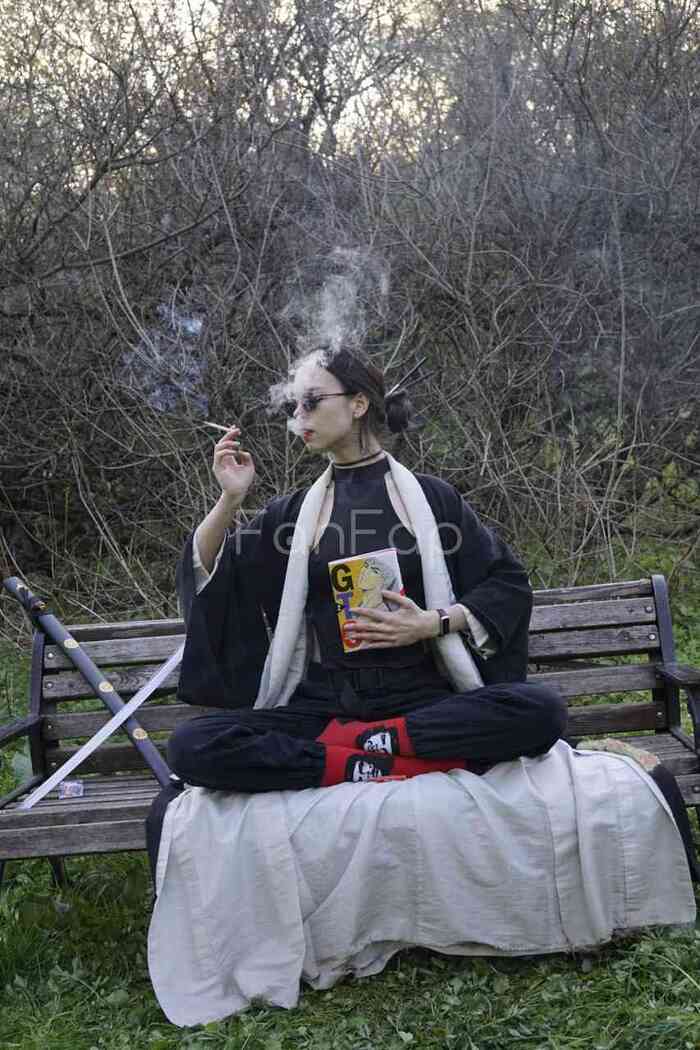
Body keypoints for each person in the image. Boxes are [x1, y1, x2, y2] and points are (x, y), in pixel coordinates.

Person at [149, 344, 567, 839]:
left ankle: (369, 747)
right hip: (327, 706)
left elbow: (507, 583)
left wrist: (431, 623)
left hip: (421, 698)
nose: (299, 416)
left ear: (358, 404)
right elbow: (214, 569)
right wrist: (230, 498)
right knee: (191, 745)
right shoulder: (293, 514)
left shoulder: (432, 499)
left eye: (311, 402)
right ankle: (364, 761)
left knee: (542, 711)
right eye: (294, 405)